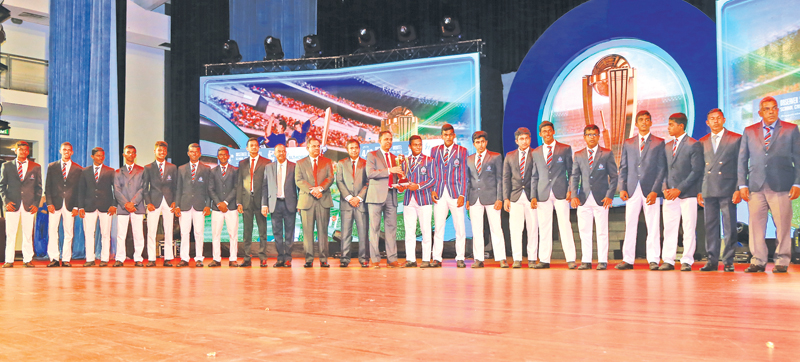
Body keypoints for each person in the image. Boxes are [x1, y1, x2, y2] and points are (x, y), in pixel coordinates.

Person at [738, 96, 800, 273]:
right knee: (756, 226)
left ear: (778, 110)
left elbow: (798, 158)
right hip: (755, 186)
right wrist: (742, 185)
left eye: (774, 108)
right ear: (760, 112)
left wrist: (798, 183)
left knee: (782, 225)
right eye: (767, 109)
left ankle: (782, 260)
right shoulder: (749, 131)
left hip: (781, 185)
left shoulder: (790, 129)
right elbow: (742, 160)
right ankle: (758, 260)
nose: (771, 111)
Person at [616, 110, 667, 270]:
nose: (644, 122)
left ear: (651, 122)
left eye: (647, 119)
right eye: (641, 120)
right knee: (630, 223)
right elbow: (623, 167)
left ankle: (653, 259)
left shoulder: (659, 142)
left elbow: (661, 169)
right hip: (631, 188)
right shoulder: (628, 142)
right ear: (636, 124)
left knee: (653, 224)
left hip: (650, 189)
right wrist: (622, 188)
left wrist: (655, 190)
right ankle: (627, 259)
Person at [697, 109, 741, 272]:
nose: (715, 121)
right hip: (708, 188)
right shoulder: (702, 141)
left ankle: (728, 260)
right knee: (710, 226)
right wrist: (699, 190)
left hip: (728, 188)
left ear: (724, 120)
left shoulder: (735, 139)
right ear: (707, 123)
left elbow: (741, 166)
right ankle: (712, 260)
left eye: (718, 118)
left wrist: (738, 188)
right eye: (711, 119)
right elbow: (700, 169)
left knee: (729, 226)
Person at [659, 113, 704, 271]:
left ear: (681, 126)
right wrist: (665, 188)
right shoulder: (667, 146)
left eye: (671, 124)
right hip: (669, 194)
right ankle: (668, 259)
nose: (668, 127)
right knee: (669, 227)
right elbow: (663, 170)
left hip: (687, 193)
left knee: (688, 227)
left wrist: (679, 189)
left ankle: (687, 259)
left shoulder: (693, 144)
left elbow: (697, 171)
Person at [569, 125, 617, 270]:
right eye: (589, 135)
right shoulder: (578, 154)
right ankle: (586, 260)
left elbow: (614, 177)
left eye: (594, 135)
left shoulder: (606, 153)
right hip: (583, 198)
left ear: (598, 137)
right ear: (584, 137)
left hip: (601, 198)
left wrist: (610, 195)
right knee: (584, 231)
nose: (592, 137)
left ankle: (602, 260)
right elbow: (574, 176)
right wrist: (573, 195)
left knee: (602, 230)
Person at [530, 121, 575, 269]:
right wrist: (533, 195)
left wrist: (571, 190)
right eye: (544, 131)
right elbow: (534, 176)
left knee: (565, 225)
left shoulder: (565, 149)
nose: (547, 133)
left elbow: (572, 172)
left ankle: (571, 259)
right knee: (544, 227)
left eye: (549, 131)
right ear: (540, 134)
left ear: (553, 132)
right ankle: (544, 260)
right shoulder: (535, 152)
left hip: (561, 192)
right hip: (543, 193)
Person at [431, 123, 469, 268]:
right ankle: (437, 258)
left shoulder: (462, 151)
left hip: (455, 193)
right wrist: (433, 189)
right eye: (445, 135)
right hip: (439, 192)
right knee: (439, 227)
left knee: (460, 227)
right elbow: (433, 171)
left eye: (450, 135)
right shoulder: (435, 150)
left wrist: (462, 194)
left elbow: (465, 174)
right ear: (442, 136)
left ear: (454, 136)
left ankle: (460, 257)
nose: (448, 137)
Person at [465, 131, 505, 268]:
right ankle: (478, 258)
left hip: (492, 197)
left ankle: (501, 258)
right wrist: (467, 199)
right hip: (474, 197)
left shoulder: (495, 157)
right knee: (476, 230)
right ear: (474, 144)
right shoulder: (469, 159)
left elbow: (500, 179)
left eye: (482, 142)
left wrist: (500, 198)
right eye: (477, 142)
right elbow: (468, 181)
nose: (480, 145)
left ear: (486, 142)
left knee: (496, 228)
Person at [366, 131, 404, 268]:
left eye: (390, 139)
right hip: (376, 196)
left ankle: (392, 259)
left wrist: (400, 185)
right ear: (380, 141)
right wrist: (389, 170)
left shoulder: (395, 158)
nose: (389, 141)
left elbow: (396, 176)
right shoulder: (372, 155)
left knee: (391, 228)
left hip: (391, 195)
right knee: (374, 228)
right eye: (386, 139)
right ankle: (375, 260)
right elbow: (370, 173)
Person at [1, 141, 42, 268]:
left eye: (26, 149)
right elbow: (1, 186)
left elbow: (39, 188)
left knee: (27, 233)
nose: (23, 151)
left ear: (28, 152)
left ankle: (27, 259)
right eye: (21, 149)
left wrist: (36, 203)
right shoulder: (7, 166)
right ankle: (9, 260)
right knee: (10, 233)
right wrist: (6, 202)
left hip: (29, 205)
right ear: (16, 150)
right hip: (12, 205)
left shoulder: (35, 166)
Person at [294, 137, 334, 268]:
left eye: (318, 146)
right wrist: (313, 190)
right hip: (307, 202)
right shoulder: (300, 163)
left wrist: (320, 188)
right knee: (307, 232)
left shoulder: (327, 161)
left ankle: (323, 259)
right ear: (308, 148)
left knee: (323, 231)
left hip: (323, 200)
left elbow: (330, 178)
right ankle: (309, 259)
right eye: (314, 146)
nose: (317, 148)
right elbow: (298, 180)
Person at [502, 128, 538, 268]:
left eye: (527, 138)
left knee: (533, 228)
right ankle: (517, 258)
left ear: (530, 139)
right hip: (515, 196)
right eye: (521, 139)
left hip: (532, 197)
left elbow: (539, 176)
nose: (524, 141)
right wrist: (506, 198)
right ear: (516, 141)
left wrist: (535, 195)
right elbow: (505, 178)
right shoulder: (509, 156)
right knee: (515, 229)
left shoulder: (536, 154)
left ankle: (532, 258)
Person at [78, 147, 117, 267]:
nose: (101, 158)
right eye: (98, 155)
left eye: (102, 156)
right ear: (92, 157)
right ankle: (90, 258)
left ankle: (104, 259)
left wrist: (114, 204)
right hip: (89, 206)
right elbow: (81, 190)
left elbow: (116, 189)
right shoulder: (85, 171)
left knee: (105, 233)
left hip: (106, 207)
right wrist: (80, 207)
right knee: (89, 233)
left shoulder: (110, 171)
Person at [174, 143, 212, 267]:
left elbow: (208, 189)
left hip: (200, 205)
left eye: (196, 152)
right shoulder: (181, 168)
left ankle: (199, 258)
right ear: (188, 153)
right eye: (192, 151)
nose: (194, 154)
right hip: (184, 204)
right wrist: (177, 205)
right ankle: (184, 258)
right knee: (184, 232)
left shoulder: (206, 169)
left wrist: (208, 204)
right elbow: (178, 188)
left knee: (199, 233)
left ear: (200, 154)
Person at [45, 142, 81, 267]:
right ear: (60, 151)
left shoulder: (78, 169)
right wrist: (49, 202)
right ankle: (54, 258)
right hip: (54, 204)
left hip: (70, 205)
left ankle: (66, 259)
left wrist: (76, 206)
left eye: (69, 150)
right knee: (52, 231)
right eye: (64, 149)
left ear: (72, 152)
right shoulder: (52, 166)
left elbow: (79, 190)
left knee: (68, 232)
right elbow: (47, 186)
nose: (66, 152)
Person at [401, 135, 435, 268]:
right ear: (410, 146)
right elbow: (402, 179)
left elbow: (433, 179)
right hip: (409, 199)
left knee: (426, 230)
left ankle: (426, 259)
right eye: (415, 145)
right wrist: (401, 186)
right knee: (409, 230)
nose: (418, 147)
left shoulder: (429, 160)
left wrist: (419, 186)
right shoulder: (404, 162)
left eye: (420, 145)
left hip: (424, 199)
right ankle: (411, 259)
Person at [261, 143, 297, 267]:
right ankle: (280, 257)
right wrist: (264, 204)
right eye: (278, 151)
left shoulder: (294, 166)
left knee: (289, 232)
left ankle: (288, 257)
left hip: (290, 204)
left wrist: (300, 203)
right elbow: (265, 186)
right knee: (277, 232)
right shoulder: (269, 167)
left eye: (283, 151)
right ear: (274, 153)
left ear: (286, 152)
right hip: (274, 204)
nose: (281, 153)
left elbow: (297, 187)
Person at [237, 137, 271, 267]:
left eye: (256, 145)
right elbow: (239, 183)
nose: (254, 147)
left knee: (262, 230)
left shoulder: (266, 162)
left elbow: (267, 184)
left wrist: (265, 203)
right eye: (251, 145)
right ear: (247, 148)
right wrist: (239, 202)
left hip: (260, 200)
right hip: (246, 201)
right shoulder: (242, 163)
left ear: (259, 147)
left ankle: (263, 257)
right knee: (247, 231)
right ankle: (247, 257)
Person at [143, 141, 178, 267]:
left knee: (169, 231)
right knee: (151, 231)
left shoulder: (172, 167)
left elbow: (175, 186)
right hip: (154, 202)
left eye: (164, 151)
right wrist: (148, 203)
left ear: (166, 152)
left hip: (169, 202)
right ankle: (151, 258)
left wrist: (175, 201)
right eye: (159, 150)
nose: (161, 153)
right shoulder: (148, 167)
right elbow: (144, 188)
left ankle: (168, 258)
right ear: (154, 151)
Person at [335, 139, 369, 267]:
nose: (354, 150)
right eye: (351, 148)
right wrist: (349, 197)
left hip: (361, 204)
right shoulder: (341, 163)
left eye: (356, 147)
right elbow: (339, 181)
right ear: (347, 150)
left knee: (363, 233)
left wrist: (359, 197)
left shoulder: (366, 163)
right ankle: (344, 259)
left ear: (359, 149)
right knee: (345, 233)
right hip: (346, 204)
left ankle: (364, 259)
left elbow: (368, 183)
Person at [114, 145, 145, 267]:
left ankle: (138, 258)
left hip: (137, 206)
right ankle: (120, 258)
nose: (131, 154)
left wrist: (133, 203)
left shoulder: (142, 170)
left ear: (135, 155)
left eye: (133, 153)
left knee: (138, 233)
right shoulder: (118, 172)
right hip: (123, 207)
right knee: (121, 234)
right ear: (124, 155)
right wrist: (126, 204)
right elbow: (116, 190)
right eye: (128, 152)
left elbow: (143, 188)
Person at [209, 147, 240, 267]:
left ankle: (233, 259)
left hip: (231, 207)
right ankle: (216, 259)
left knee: (233, 234)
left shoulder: (235, 170)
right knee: (216, 234)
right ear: (218, 156)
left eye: (225, 155)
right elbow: (210, 189)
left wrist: (226, 202)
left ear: (228, 156)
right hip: (217, 208)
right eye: (220, 155)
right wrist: (218, 203)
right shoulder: (212, 171)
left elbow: (236, 187)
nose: (222, 156)